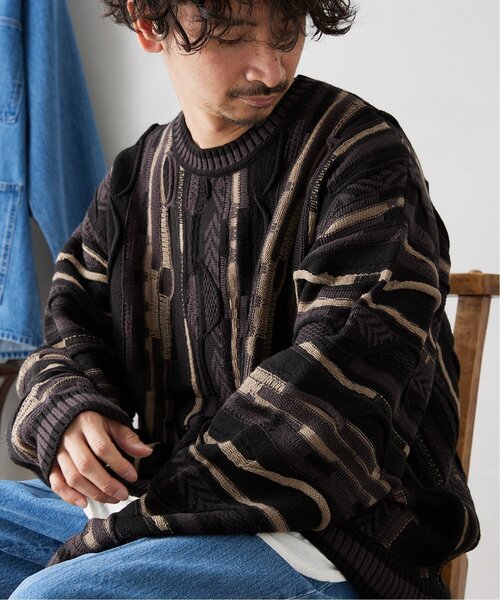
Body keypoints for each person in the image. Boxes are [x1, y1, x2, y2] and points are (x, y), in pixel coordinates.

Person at [1, 0, 480, 598]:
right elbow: (67, 333)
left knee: (53, 595)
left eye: (287, 31)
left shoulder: (362, 156)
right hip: (164, 511)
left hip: (336, 538)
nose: (270, 69)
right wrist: (68, 413)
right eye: (231, 36)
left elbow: (331, 410)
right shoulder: (132, 181)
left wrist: (111, 537)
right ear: (149, 23)